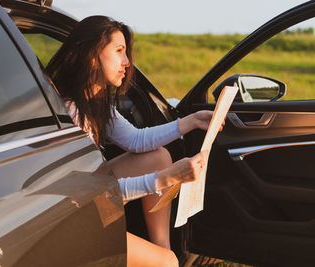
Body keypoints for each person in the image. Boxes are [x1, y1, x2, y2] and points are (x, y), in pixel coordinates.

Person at [46, 15, 218, 267]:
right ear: (92, 55)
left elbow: (137, 140)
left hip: (84, 201)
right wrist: (167, 178)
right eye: (119, 51)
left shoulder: (95, 103)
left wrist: (192, 121)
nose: (127, 62)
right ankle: (165, 260)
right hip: (68, 220)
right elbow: (93, 195)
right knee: (168, 262)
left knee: (158, 156)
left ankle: (162, 249)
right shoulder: (72, 113)